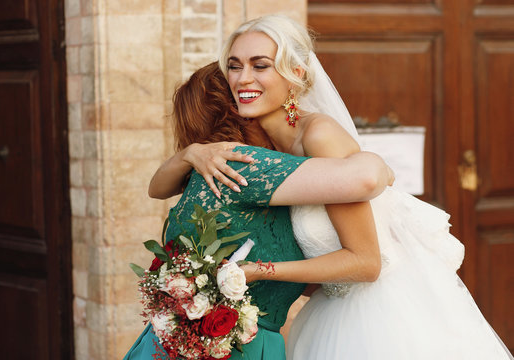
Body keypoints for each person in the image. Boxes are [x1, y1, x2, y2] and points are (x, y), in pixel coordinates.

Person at [150, 14, 514, 360]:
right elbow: (158, 188)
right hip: (329, 308)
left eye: (260, 65)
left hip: (379, 313)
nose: (243, 78)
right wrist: (192, 153)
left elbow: (367, 263)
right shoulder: (265, 151)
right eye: (234, 65)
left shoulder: (320, 136)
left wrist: (261, 271)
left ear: (295, 74)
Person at [123, 62, 393, 360]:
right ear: (238, 109)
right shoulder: (243, 164)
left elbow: (156, 189)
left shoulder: (202, 173)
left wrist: (189, 153)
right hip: (233, 348)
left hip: (175, 344)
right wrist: (383, 167)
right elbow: (365, 178)